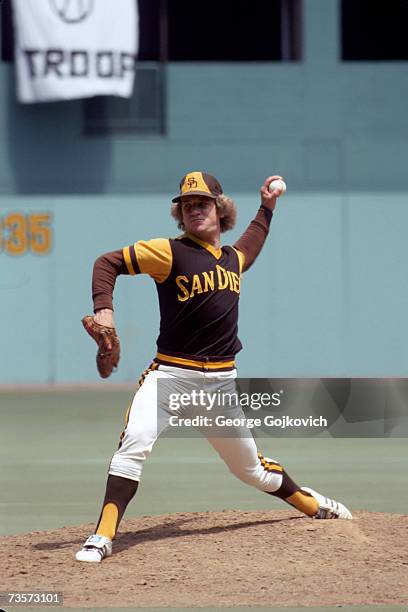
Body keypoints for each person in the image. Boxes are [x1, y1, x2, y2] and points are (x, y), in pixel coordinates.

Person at [76, 171, 352, 563]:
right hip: (169, 377)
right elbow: (107, 263)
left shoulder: (232, 259)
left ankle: (311, 503)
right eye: (187, 206)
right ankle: (101, 537)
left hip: (220, 386)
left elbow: (252, 244)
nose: (194, 210)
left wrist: (268, 207)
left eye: (203, 203)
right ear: (180, 214)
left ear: (220, 209)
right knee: (133, 445)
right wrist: (104, 310)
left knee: (251, 470)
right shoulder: (169, 252)